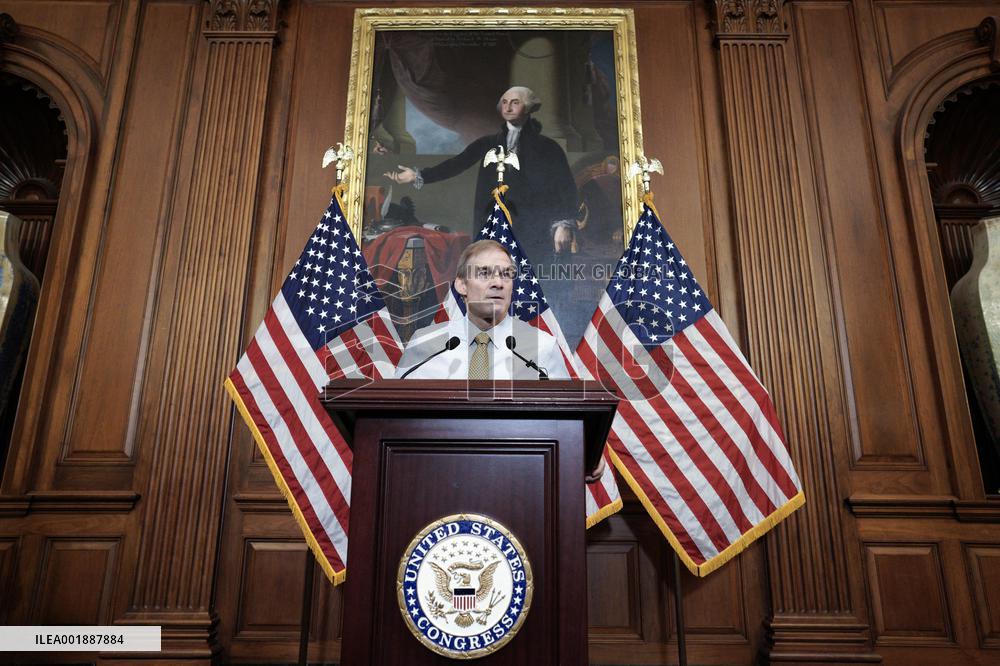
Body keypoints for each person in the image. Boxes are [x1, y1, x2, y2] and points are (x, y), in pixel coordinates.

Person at [384, 86, 578, 258]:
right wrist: (419, 175)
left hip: (534, 227)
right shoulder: (488, 143)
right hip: (494, 225)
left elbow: (565, 187)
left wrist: (563, 223)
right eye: (505, 102)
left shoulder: (548, 147)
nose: (508, 107)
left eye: (515, 102)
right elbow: (456, 164)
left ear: (528, 108)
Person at [394, 240, 570, 380]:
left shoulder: (543, 347)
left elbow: (562, 421)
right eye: (484, 273)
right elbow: (395, 415)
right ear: (462, 285)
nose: (498, 283)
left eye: (506, 274)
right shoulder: (424, 344)